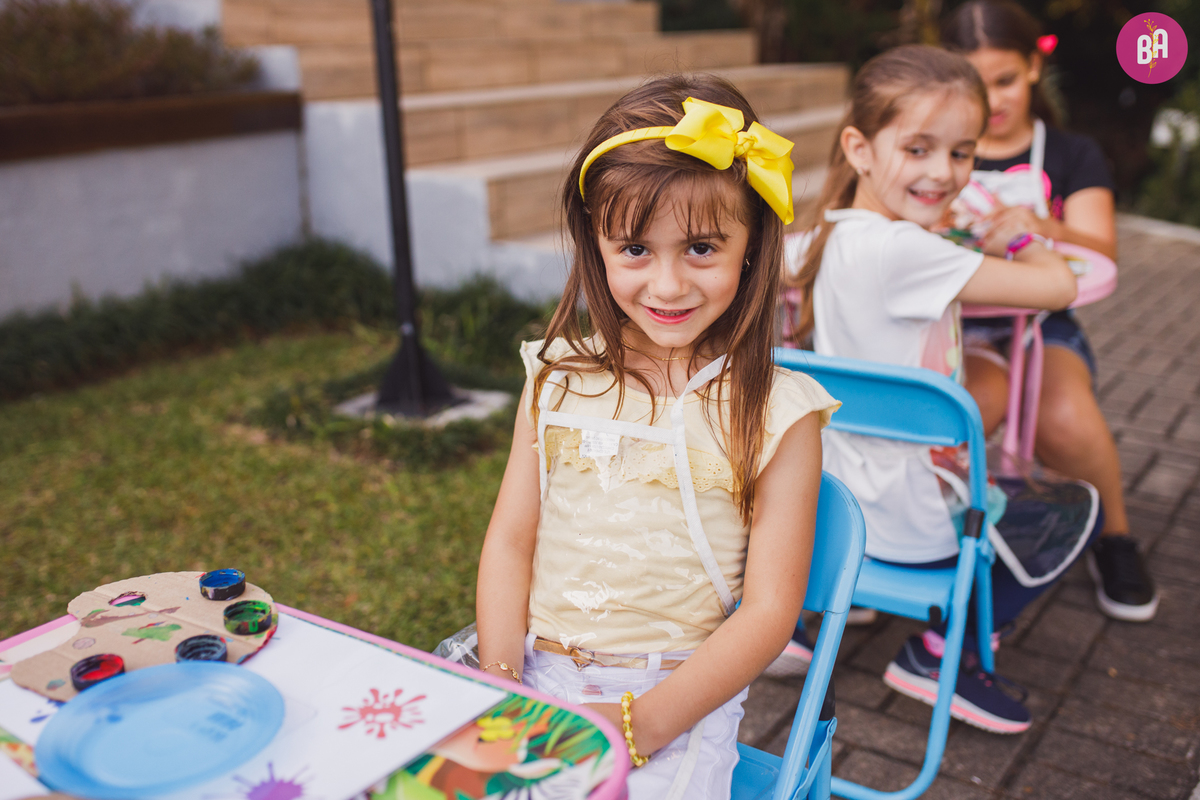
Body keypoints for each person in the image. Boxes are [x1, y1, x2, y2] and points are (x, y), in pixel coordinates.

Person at [474, 74, 840, 799]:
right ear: (596, 246)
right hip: (529, 677)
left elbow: (770, 612)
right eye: (635, 249)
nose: (667, 286)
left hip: (675, 699)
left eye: (701, 248)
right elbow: (512, 542)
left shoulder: (778, 413)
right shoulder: (554, 380)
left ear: (752, 244)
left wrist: (638, 726)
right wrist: (499, 684)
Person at [774, 44, 1088, 735]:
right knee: (1068, 510)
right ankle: (939, 652)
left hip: (831, 509)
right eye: (918, 149)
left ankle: (804, 619)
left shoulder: (820, 237)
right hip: (911, 525)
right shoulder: (908, 253)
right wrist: (1017, 237)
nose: (942, 173)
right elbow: (1059, 287)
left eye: (961, 154)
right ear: (858, 148)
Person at [943, 0, 1158, 623]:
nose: (994, 100)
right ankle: (903, 539)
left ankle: (1115, 537)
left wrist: (1042, 223)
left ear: (1035, 68)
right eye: (977, 86)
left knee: (1063, 414)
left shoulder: (1071, 153)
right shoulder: (938, 151)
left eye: (1006, 80)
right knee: (954, 412)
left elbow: (1103, 245)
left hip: (1040, 324)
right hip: (958, 327)